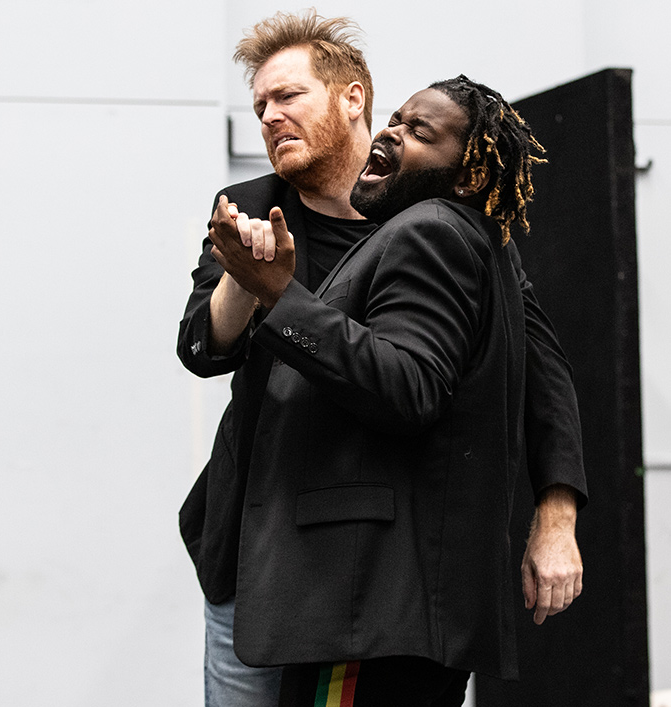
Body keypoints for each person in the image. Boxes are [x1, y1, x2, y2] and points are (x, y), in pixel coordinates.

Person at [176, 12, 587, 707]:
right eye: (259, 105)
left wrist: (556, 516)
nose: (269, 116)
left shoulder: (438, 221)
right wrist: (246, 279)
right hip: (244, 548)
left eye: (287, 96)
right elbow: (201, 349)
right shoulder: (247, 207)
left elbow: (540, 375)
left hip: (360, 565)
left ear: (351, 98)